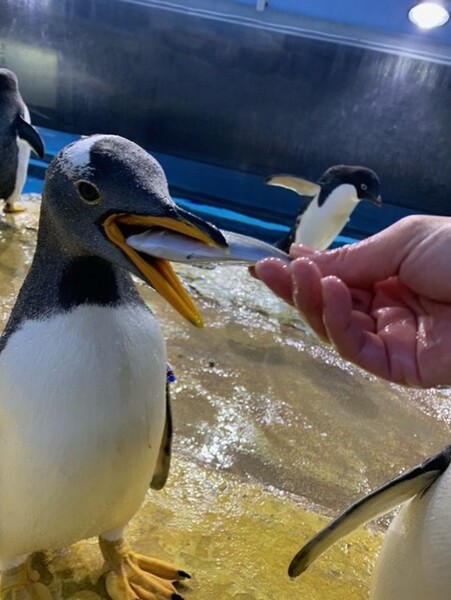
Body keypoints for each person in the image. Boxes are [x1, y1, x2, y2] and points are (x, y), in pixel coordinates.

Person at [253, 215, 451, 388]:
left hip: (321, 266)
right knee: (315, 286)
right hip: (307, 250)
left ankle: (303, 266)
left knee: (319, 289)